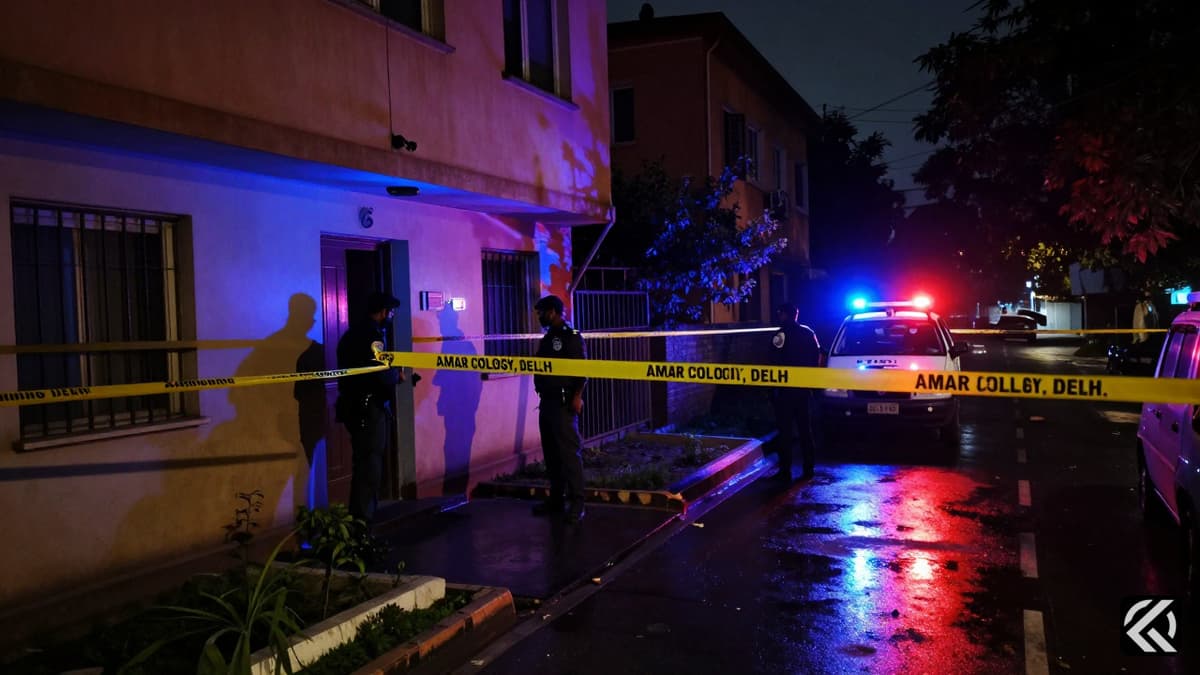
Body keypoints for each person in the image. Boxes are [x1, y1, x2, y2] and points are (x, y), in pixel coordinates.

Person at [336, 290, 404, 524]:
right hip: (368, 408)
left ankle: (359, 520)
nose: (391, 316)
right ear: (383, 312)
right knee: (369, 466)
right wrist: (397, 376)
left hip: (353, 406)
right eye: (391, 312)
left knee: (363, 463)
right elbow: (380, 372)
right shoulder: (373, 337)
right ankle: (362, 523)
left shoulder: (350, 334)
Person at [531, 295, 588, 524]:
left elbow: (581, 369)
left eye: (541, 312)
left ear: (552, 312)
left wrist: (577, 396)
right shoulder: (549, 337)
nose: (539, 317)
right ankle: (556, 500)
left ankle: (578, 503)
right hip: (547, 402)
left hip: (564, 403)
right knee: (552, 454)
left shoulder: (570, 336)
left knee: (569, 454)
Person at [769, 302, 821, 481]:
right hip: (804, 390)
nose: (779, 316)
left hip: (785, 391)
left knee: (785, 431)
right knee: (805, 430)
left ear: (784, 314)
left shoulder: (780, 334)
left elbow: (773, 360)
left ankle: (785, 471)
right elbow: (816, 357)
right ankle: (809, 468)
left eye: (780, 313)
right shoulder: (808, 333)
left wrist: (772, 389)